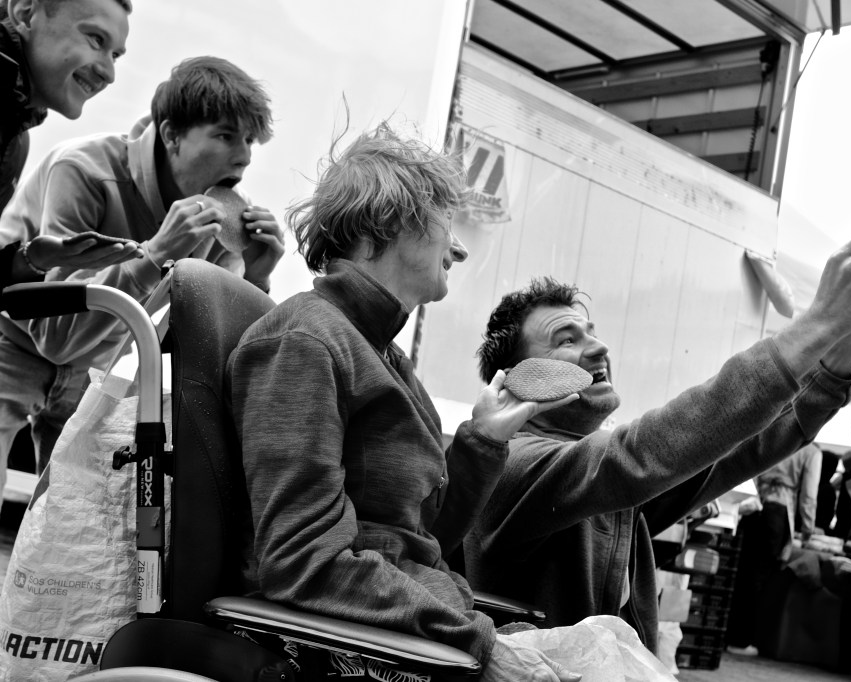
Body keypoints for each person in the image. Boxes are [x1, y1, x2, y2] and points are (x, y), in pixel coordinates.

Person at [0, 55, 281, 682]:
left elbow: (213, 335)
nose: (243, 158)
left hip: (93, 366)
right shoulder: (83, 170)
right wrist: (156, 252)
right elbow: (56, 335)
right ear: (172, 135)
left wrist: (259, 271)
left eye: (250, 140)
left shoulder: (214, 218)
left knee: (74, 547)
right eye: (226, 136)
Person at [228, 123, 592, 682]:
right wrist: (478, 644)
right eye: (447, 222)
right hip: (358, 652)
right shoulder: (305, 342)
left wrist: (482, 442)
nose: (459, 248)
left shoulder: (381, 352)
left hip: (422, 635)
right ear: (391, 221)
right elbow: (304, 563)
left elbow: (423, 540)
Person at [462, 215, 851, 654]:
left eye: (591, 333)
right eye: (566, 340)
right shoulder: (511, 464)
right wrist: (818, 324)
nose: (599, 347)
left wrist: (836, 362)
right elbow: (638, 453)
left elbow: (735, 452)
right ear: (518, 379)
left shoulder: (596, 484)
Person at [0, 0, 142, 325]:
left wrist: (30, 260)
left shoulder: (15, 142)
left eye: (116, 55)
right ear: (25, 12)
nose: (108, 73)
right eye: (96, 39)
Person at [726, 443, 821, 656]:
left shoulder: (777, 436)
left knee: (742, 572)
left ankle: (728, 633)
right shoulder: (811, 451)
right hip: (779, 512)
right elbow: (809, 495)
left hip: (755, 508)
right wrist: (808, 528)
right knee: (759, 578)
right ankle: (741, 639)